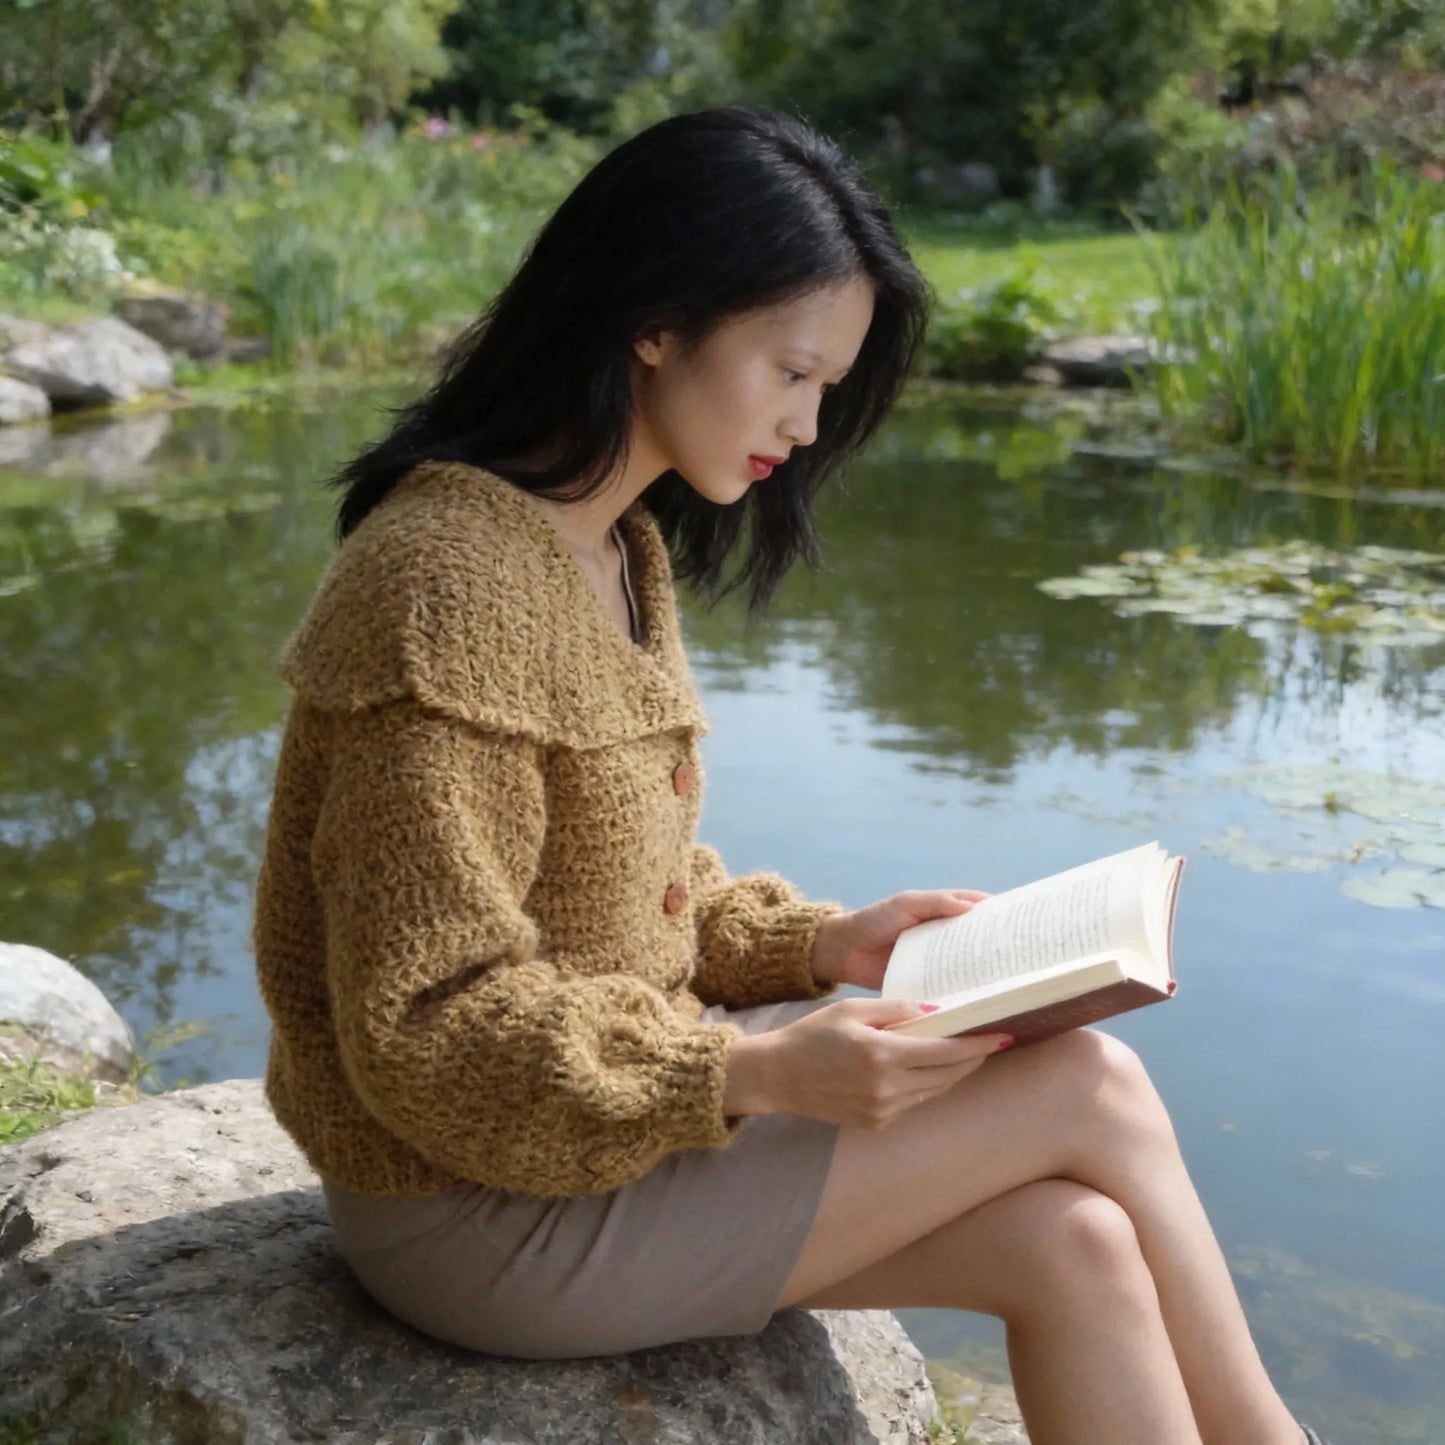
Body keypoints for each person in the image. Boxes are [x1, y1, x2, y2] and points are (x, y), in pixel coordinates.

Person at [252, 105, 1334, 1445]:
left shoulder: (612, 545)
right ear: (654, 318)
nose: (809, 425)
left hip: (593, 1138)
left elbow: (627, 899)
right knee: (1085, 1085)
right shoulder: (442, 580)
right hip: (475, 1204)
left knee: (1074, 1245)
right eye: (791, 372)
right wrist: (748, 1077)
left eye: (827, 390)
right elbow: (425, 1024)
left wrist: (827, 940)